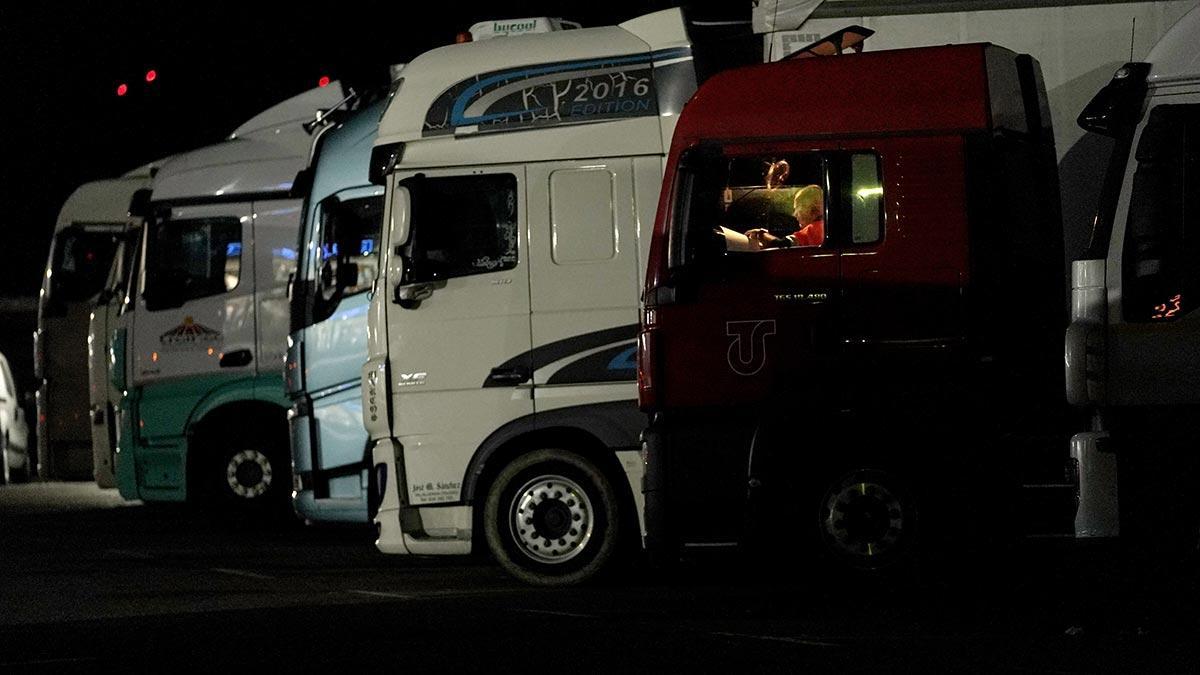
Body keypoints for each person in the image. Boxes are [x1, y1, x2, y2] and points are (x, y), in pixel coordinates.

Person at [745, 184, 824, 249]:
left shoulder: (813, 229)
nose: (794, 214)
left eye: (797, 207)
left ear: (809, 207)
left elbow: (783, 244)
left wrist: (761, 234)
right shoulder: (825, 227)